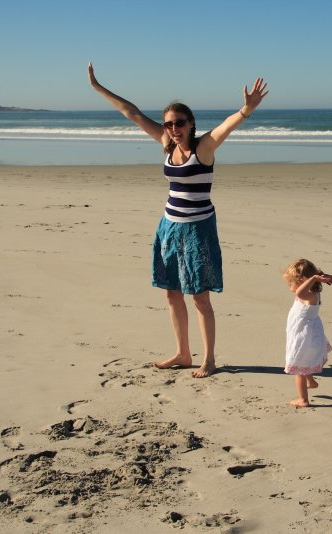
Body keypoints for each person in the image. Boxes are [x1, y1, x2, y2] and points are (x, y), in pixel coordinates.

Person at [87, 63, 268, 378]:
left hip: (198, 228)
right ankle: (183, 353)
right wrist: (98, 87)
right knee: (172, 292)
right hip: (169, 226)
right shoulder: (166, 144)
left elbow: (226, 127)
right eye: (169, 123)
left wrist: (246, 110)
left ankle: (208, 359)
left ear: (191, 123)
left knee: (199, 297)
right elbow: (132, 113)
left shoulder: (204, 148)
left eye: (179, 122)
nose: (173, 128)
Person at [282, 259, 332, 407]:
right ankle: (310, 381)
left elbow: (299, 292)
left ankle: (303, 400)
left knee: (298, 368)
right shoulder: (313, 292)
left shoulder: (307, 295)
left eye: (291, 283)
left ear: (302, 281)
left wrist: (313, 278)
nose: (290, 287)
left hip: (303, 337)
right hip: (308, 334)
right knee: (304, 361)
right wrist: (317, 276)